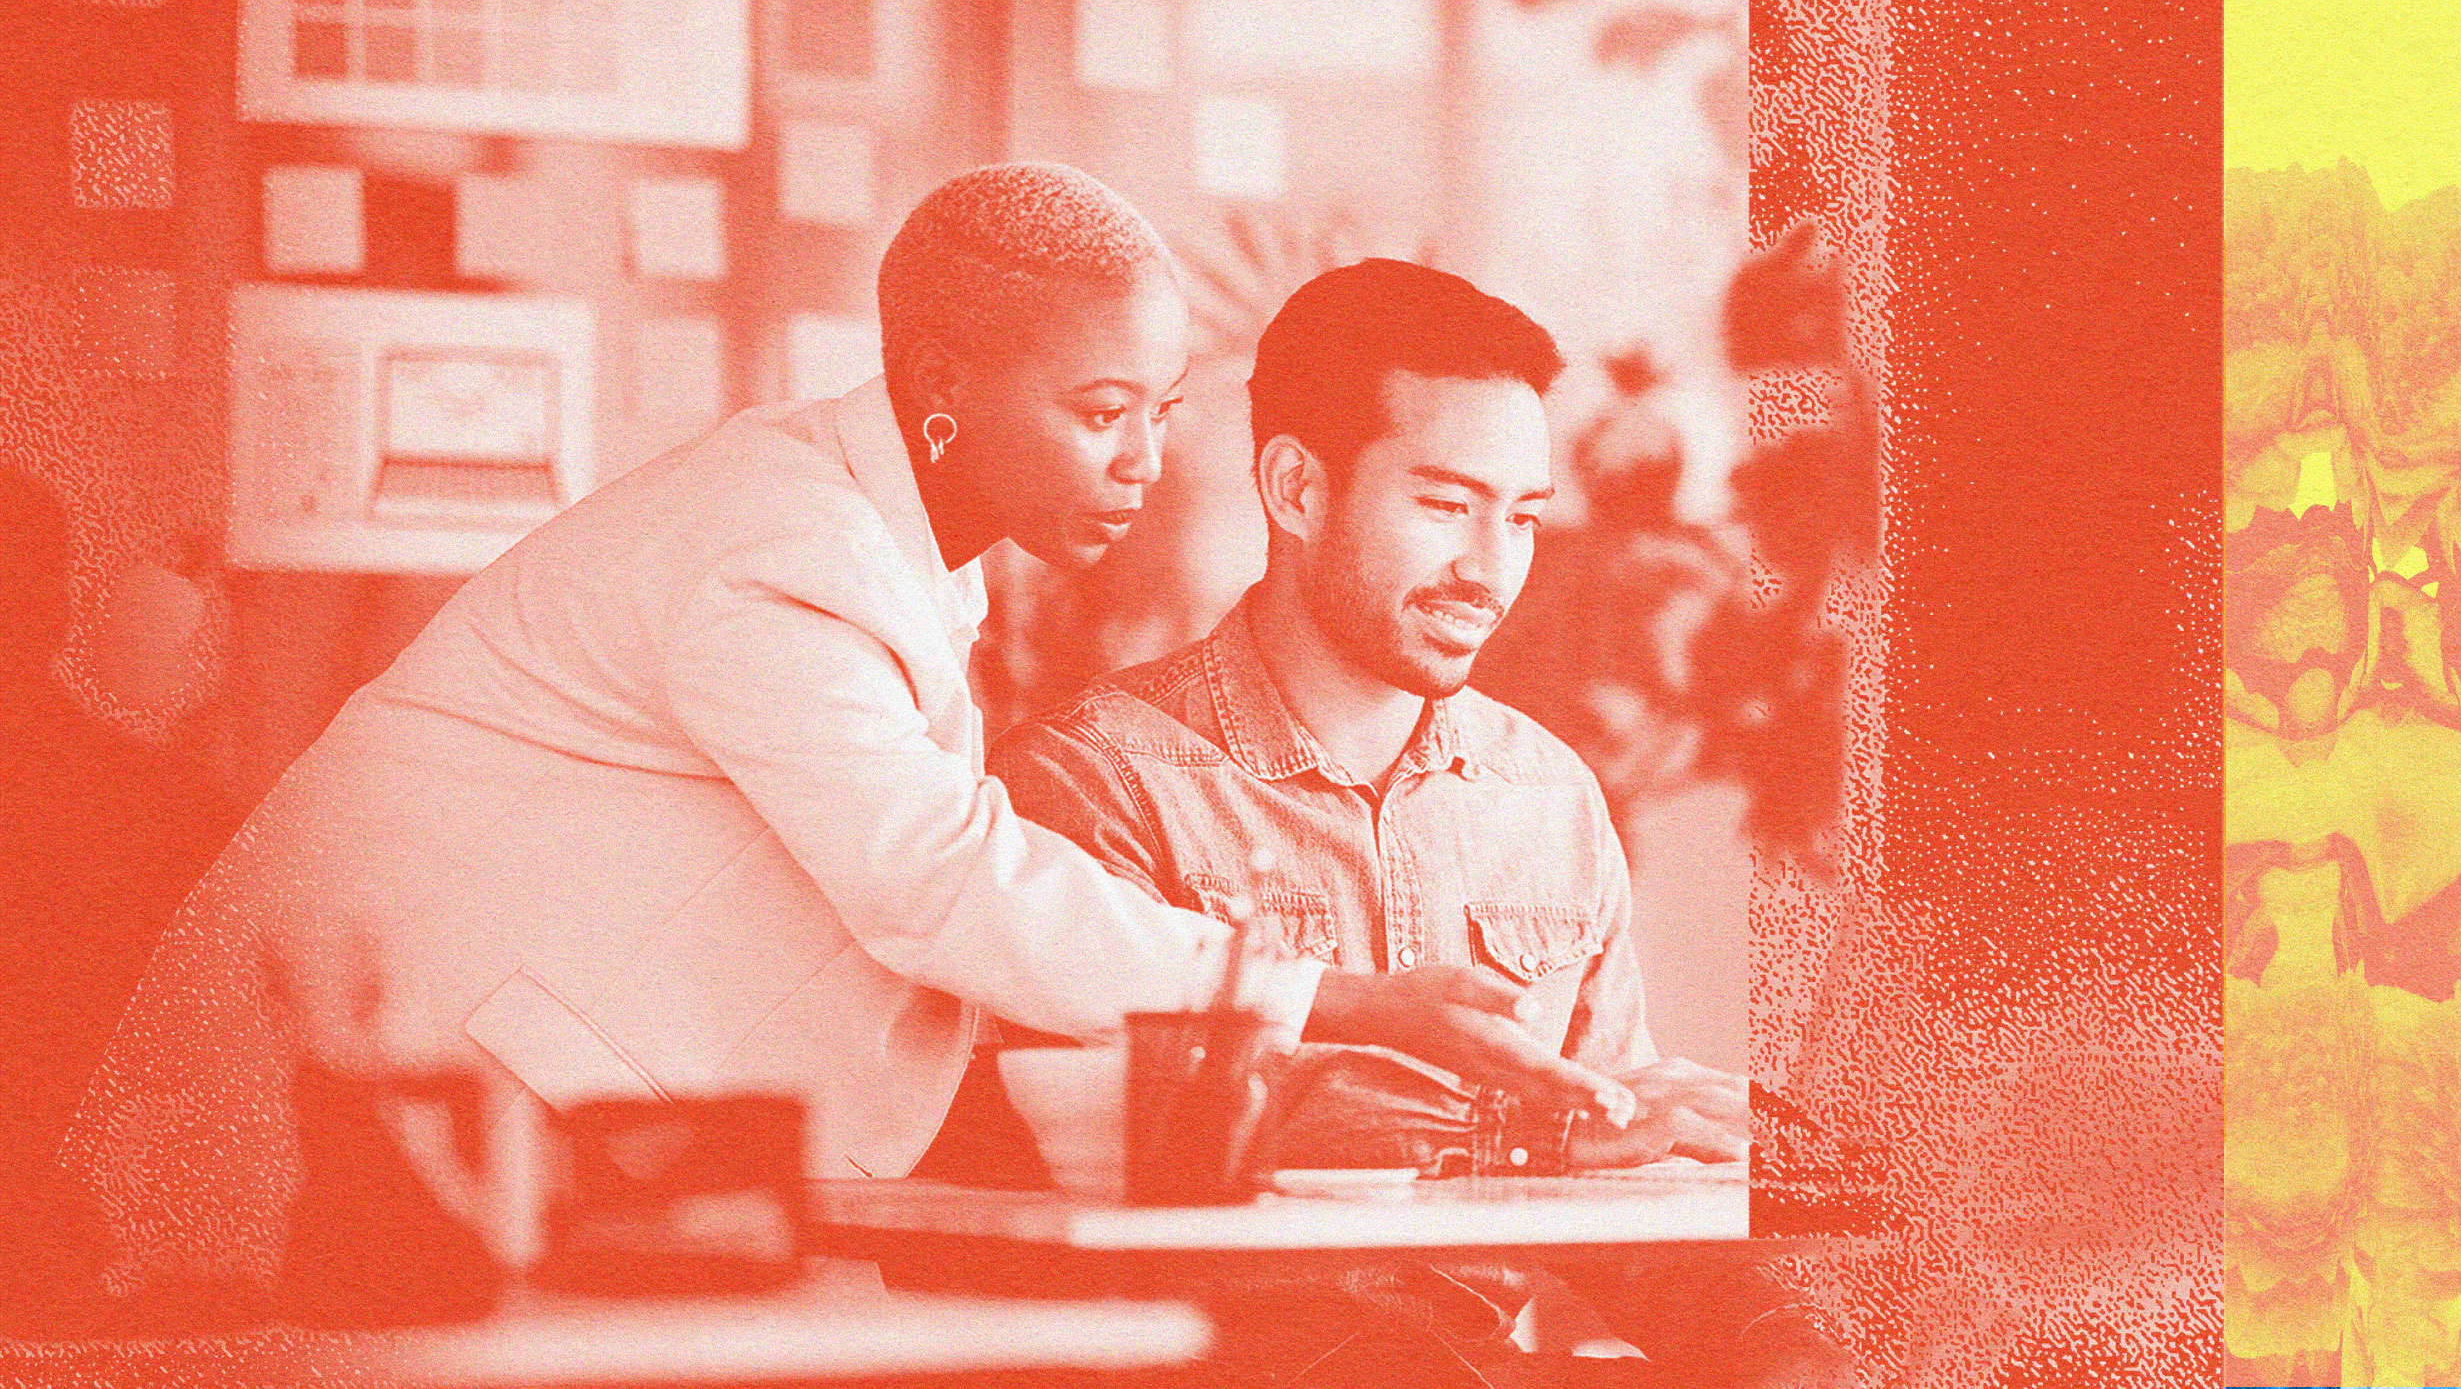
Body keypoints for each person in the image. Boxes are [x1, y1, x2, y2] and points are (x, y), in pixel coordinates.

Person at [61, 166, 1630, 1326]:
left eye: (1160, 408)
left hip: (475, 1133)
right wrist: (1340, 998)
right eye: (1100, 411)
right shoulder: (783, 546)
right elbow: (933, 881)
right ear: (943, 389)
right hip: (299, 1133)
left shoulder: (884, 550)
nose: (1148, 462)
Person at [976, 260, 1843, 1385]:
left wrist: (1790, 1346)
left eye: (1521, 517)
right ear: (1294, 488)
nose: (1488, 569)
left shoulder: (1549, 794)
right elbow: (1119, 1146)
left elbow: (1623, 1164)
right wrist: (1541, 1127)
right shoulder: (1095, 781)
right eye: (1443, 506)